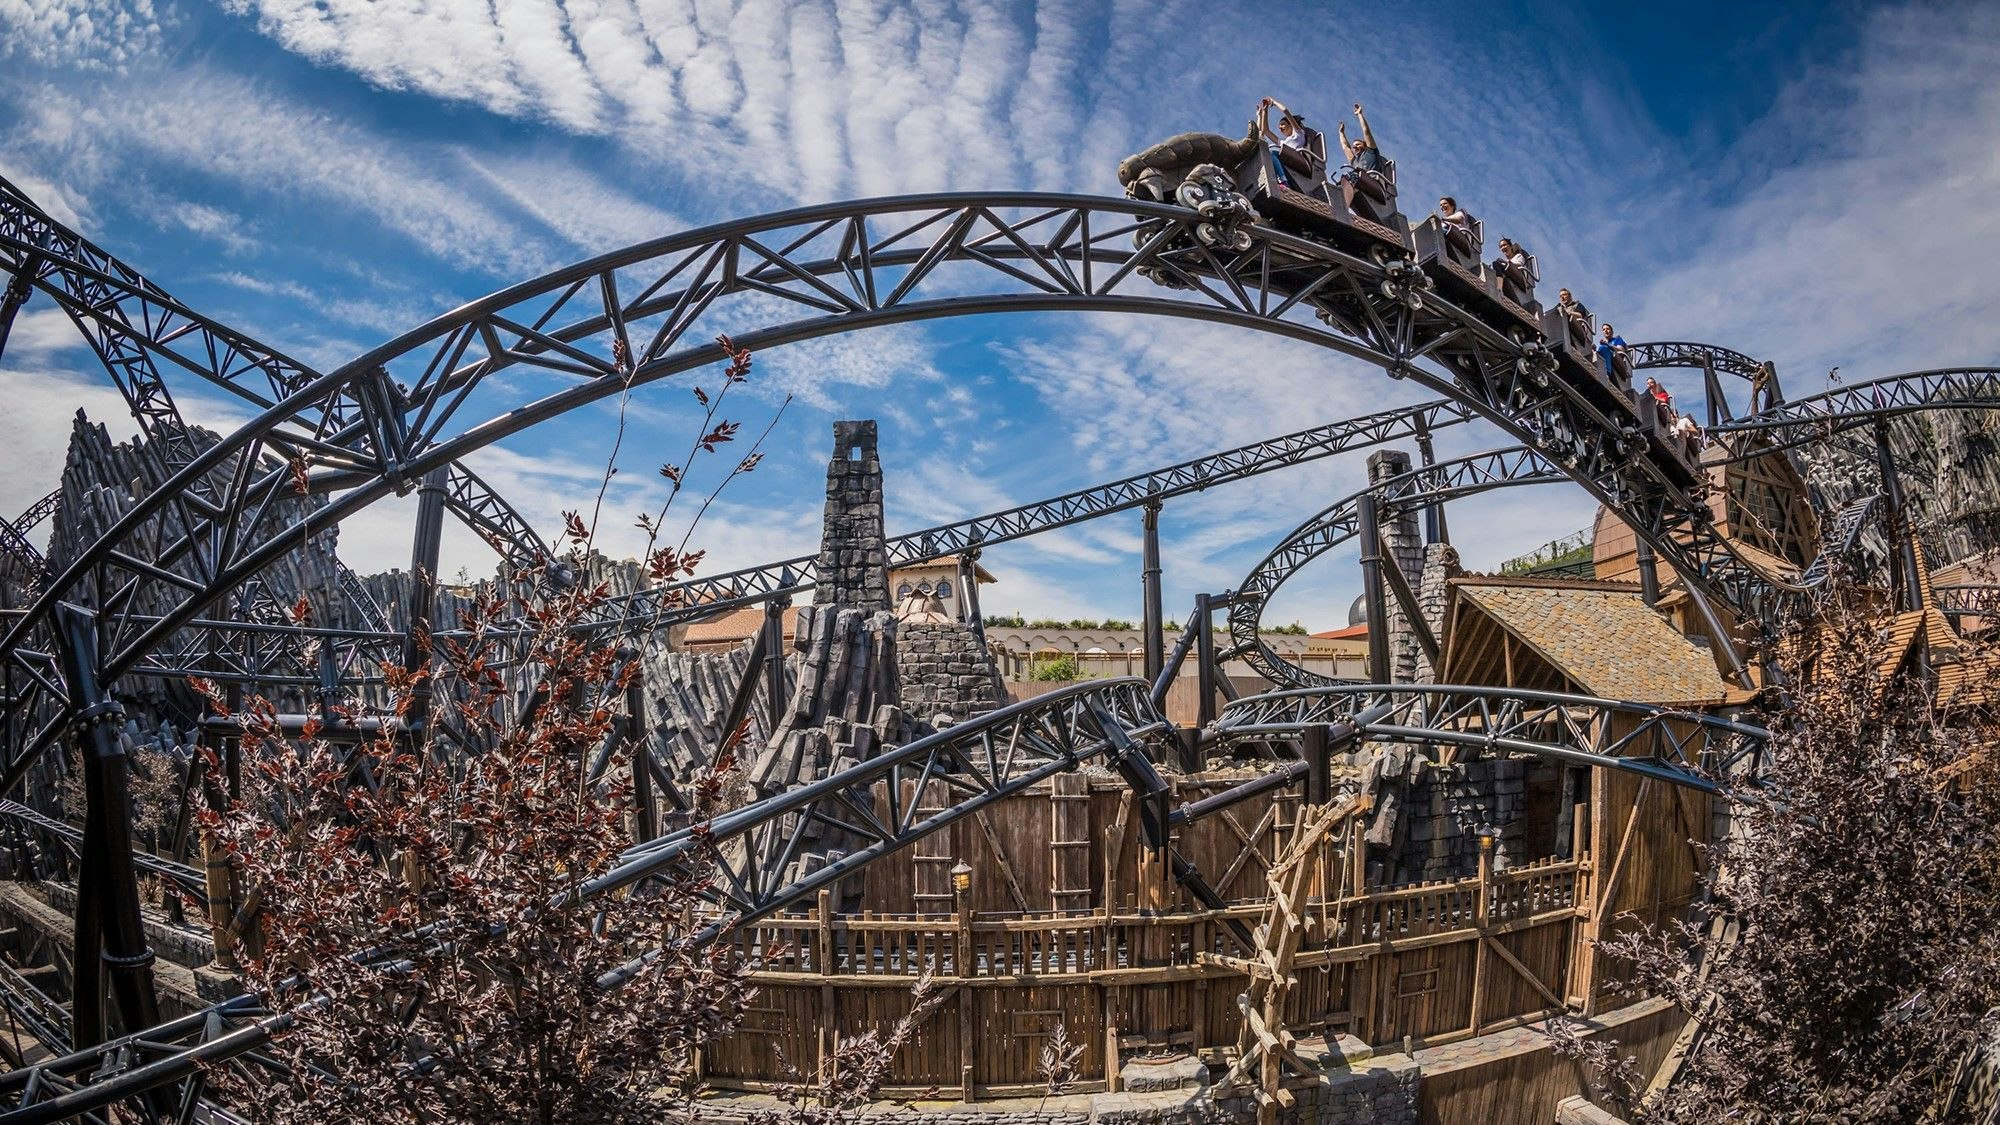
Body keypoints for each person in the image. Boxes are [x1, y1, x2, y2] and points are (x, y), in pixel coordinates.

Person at [1259, 97, 1312, 186]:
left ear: (1291, 124)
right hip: (1285, 160)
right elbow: (1266, 131)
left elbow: (1285, 111)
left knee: (1272, 151)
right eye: (1279, 126)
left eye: (1282, 124)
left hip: (1296, 160)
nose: (1280, 127)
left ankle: (1283, 181)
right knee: (1266, 152)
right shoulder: (1283, 143)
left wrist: (1274, 102)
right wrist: (1265, 111)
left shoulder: (1298, 134)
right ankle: (1279, 180)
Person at [1337, 102, 1382, 172]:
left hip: (1372, 181)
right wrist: (1341, 133)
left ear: (1365, 146)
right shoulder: (1355, 161)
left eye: (1357, 144)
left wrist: (1359, 114)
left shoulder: (1371, 152)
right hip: (1360, 182)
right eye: (1354, 146)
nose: (1354, 147)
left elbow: (1366, 132)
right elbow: (1345, 147)